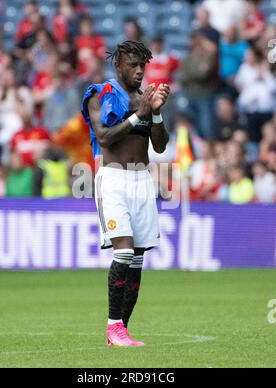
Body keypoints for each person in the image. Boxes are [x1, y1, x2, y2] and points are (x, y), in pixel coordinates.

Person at [82, 41, 170, 347]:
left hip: (141, 181)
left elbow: (159, 146)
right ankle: (113, 326)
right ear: (118, 65)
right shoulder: (100, 93)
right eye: (132, 66)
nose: (138, 71)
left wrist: (155, 114)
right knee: (123, 250)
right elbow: (104, 137)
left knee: (137, 259)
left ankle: (121, 331)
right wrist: (139, 113)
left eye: (142, 67)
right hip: (114, 180)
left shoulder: (143, 99)